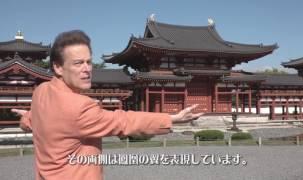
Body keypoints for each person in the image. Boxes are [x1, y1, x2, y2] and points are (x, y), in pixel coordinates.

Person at [12, 30, 203, 180]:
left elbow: (37, 122)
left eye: (89, 62)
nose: (87, 69)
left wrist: (27, 117)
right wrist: (172, 118)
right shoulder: (79, 106)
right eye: (78, 63)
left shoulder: (41, 92)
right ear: (58, 67)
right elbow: (123, 121)